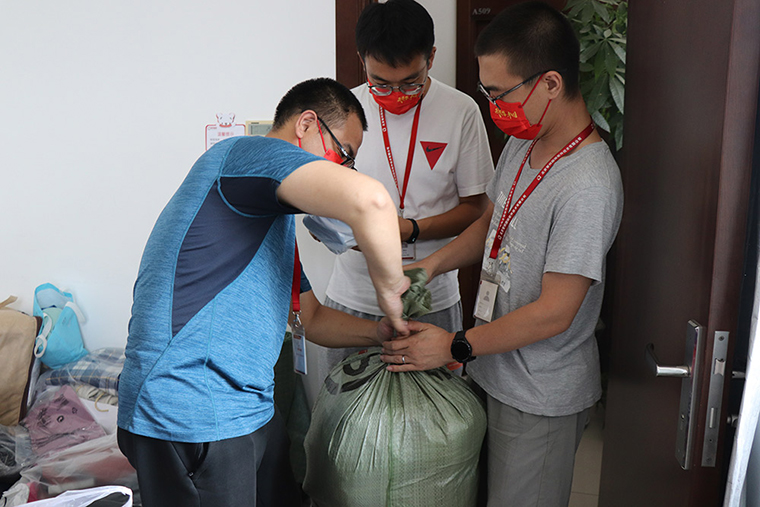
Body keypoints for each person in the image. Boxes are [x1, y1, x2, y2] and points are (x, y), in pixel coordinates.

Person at [116, 77, 411, 507]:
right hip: (191, 410)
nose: (341, 172)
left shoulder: (269, 217)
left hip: (244, 408)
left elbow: (311, 319)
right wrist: (391, 290)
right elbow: (373, 202)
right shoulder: (245, 155)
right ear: (307, 124)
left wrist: (383, 332)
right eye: (343, 155)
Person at [380, 3, 624, 506]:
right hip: (492, 370)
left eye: (499, 93)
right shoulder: (524, 141)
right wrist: (428, 266)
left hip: (539, 396)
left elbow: (556, 312)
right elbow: (489, 225)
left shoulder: (587, 184)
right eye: (485, 92)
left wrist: (453, 346)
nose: (493, 107)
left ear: (551, 83)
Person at [312, 0, 494, 381]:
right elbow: (321, 207)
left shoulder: (461, 111)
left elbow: (476, 209)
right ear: (362, 60)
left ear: (431, 56)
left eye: (410, 82)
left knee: (432, 427)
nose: (396, 93)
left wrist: (410, 229)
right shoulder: (342, 113)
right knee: (344, 421)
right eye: (381, 83)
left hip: (432, 300)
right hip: (353, 299)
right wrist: (363, 235)